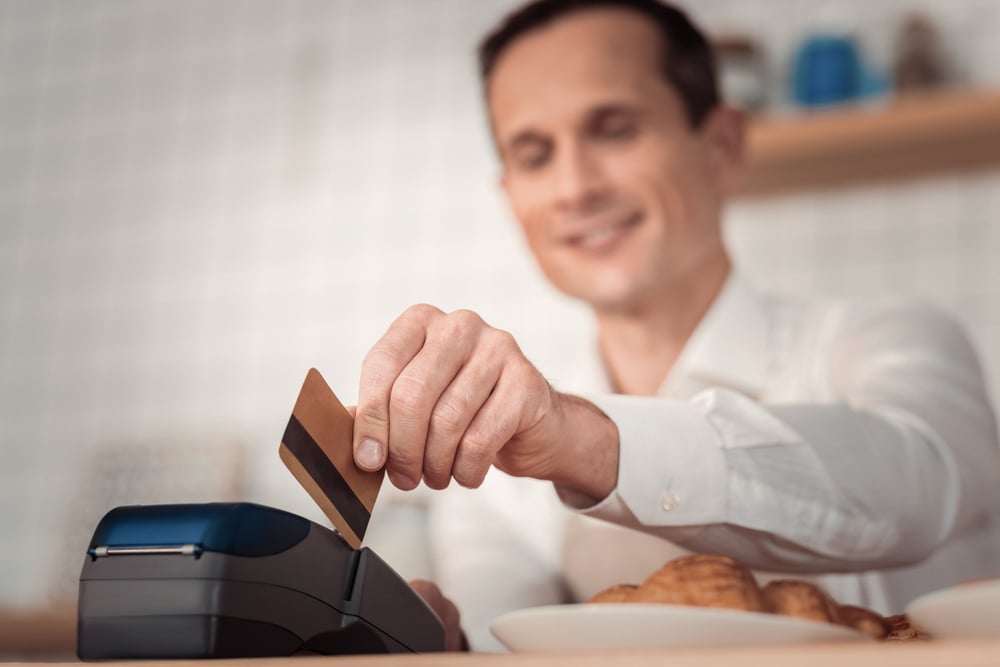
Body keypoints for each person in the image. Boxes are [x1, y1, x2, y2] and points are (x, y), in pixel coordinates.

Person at [350, 0, 1000, 651]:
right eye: (535, 154)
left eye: (614, 129)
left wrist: (582, 441)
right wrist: (450, 650)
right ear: (510, 196)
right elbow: (506, 646)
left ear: (722, 145)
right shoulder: (488, 465)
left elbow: (913, 486)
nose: (575, 187)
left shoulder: (894, 338)